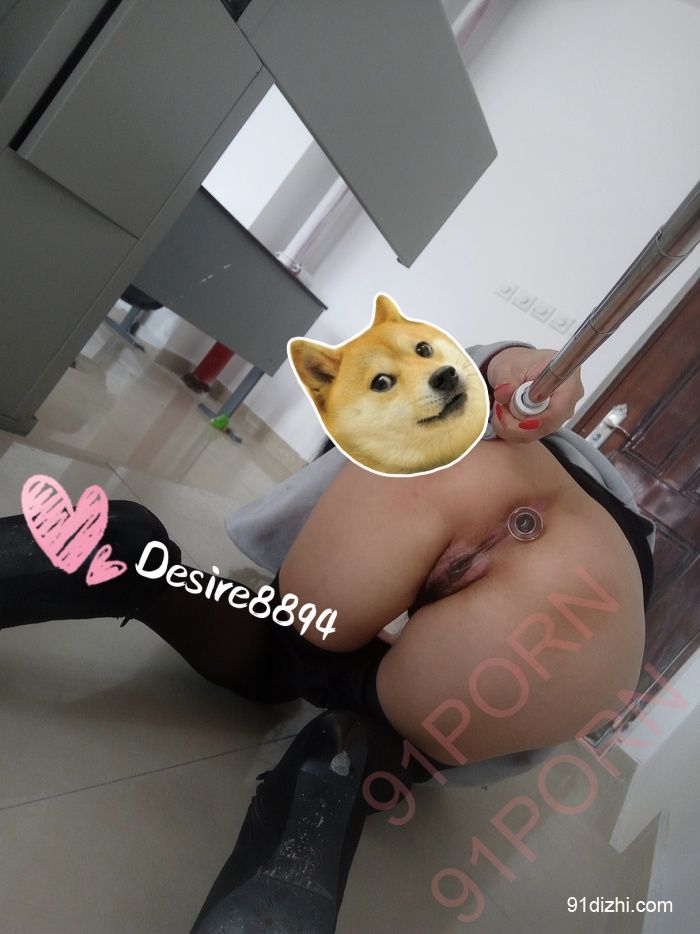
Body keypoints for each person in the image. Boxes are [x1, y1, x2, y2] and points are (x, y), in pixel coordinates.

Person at [0, 340, 654, 933]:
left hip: (468, 472)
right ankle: (344, 766)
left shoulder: (511, 424)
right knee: (398, 740)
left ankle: (132, 560)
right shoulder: (623, 527)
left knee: (290, 642)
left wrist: (509, 364)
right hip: (587, 610)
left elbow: (489, 369)